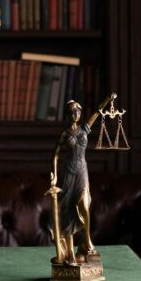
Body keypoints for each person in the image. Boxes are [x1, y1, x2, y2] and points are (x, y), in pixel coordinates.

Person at [49, 96, 111, 266]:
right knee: (67, 209)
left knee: (84, 205)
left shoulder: (85, 128)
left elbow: (98, 112)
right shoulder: (65, 133)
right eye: (72, 112)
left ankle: (87, 241)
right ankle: (69, 252)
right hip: (68, 173)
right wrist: (54, 175)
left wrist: (107, 100)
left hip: (82, 170)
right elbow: (55, 154)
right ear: (68, 115)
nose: (75, 114)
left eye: (77, 111)